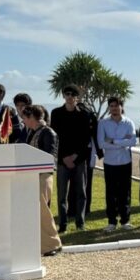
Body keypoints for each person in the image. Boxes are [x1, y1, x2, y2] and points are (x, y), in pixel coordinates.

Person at [50, 85, 94, 234]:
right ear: (63, 96)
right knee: (62, 195)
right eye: (66, 94)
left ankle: (80, 223)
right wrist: (63, 157)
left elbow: (85, 139)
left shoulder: (84, 115)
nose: (69, 97)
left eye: (72, 94)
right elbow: (55, 138)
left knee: (81, 192)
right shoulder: (56, 114)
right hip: (62, 160)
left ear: (77, 97)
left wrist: (75, 157)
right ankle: (62, 224)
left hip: (79, 160)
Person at [21, 105, 62, 256]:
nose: (23, 121)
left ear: (31, 117)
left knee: (43, 210)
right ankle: (41, 244)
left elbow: (49, 156)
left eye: (24, 118)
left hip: (44, 175)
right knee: (36, 211)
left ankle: (53, 243)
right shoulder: (32, 132)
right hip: (33, 176)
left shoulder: (48, 133)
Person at [98, 97, 137, 232]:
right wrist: (122, 142)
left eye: (116, 106)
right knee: (111, 193)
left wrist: (113, 141)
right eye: (111, 106)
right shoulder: (103, 123)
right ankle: (111, 222)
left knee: (125, 192)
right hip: (110, 163)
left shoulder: (128, 122)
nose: (114, 108)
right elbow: (101, 143)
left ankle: (125, 220)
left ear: (121, 106)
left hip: (125, 162)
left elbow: (132, 142)